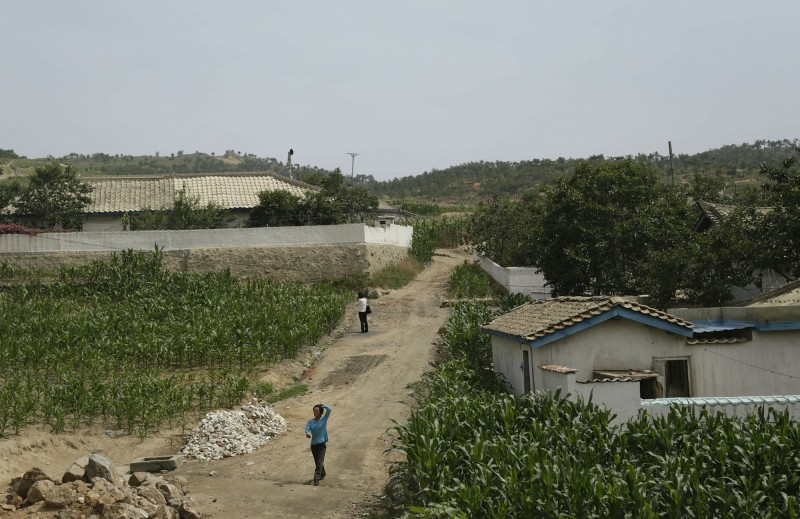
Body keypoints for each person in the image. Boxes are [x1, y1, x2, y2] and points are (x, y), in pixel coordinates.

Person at [304, 403, 332, 486]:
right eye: (314, 411)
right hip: (313, 445)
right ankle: (322, 473)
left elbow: (329, 409)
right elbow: (306, 429)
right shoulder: (310, 421)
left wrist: (323, 405)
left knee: (319, 462)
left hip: (321, 445)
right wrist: (307, 434)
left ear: (320, 412)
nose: (315, 413)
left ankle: (316, 479)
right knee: (318, 462)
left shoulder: (324, 419)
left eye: (316, 411)